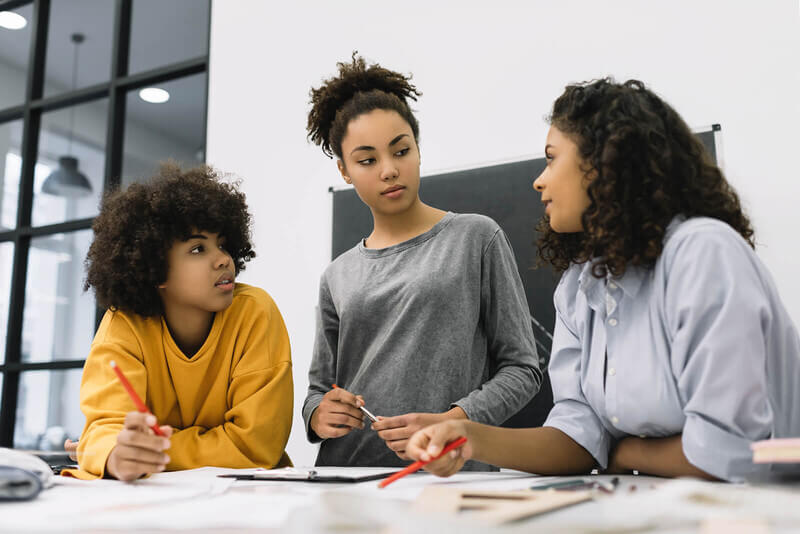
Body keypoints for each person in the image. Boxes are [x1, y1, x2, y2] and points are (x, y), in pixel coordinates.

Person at [405, 78, 800, 482]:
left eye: (551, 158)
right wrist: (466, 437)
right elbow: (579, 438)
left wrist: (624, 449)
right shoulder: (580, 285)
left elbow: (727, 454)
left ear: (603, 163)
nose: (539, 180)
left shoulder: (702, 252)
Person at [302, 54, 542, 469]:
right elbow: (317, 392)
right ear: (344, 171)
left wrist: (453, 424)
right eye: (367, 160)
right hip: (348, 478)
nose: (390, 170)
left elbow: (523, 369)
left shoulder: (476, 238)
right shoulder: (336, 275)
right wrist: (319, 416)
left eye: (401, 150)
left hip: (449, 475)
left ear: (417, 147)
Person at [64, 163, 293, 481]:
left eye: (223, 244)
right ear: (156, 270)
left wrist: (148, 452)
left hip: (247, 503)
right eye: (198, 248)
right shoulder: (124, 325)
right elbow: (103, 433)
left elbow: (255, 446)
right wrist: (116, 454)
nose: (223, 258)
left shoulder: (255, 312)